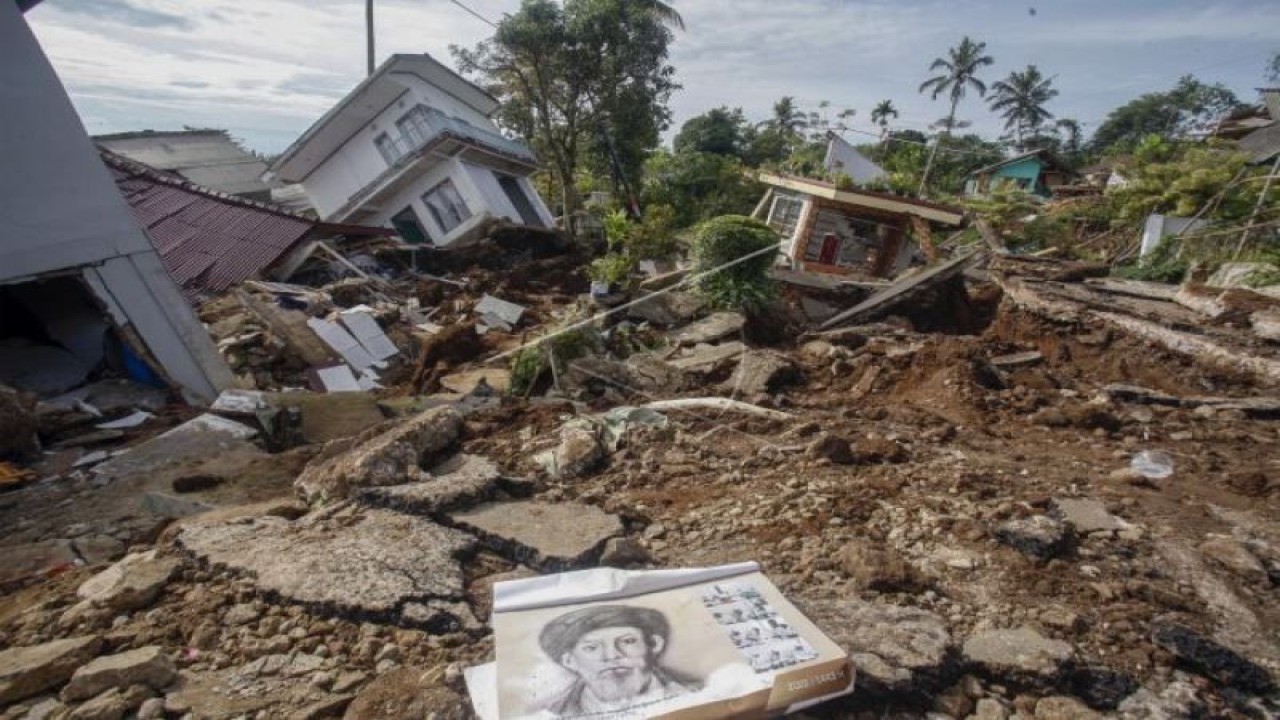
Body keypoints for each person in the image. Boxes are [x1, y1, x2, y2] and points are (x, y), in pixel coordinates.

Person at [537, 605, 701, 716]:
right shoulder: (551, 713)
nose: (611, 656)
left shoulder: (702, 690)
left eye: (627, 641)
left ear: (653, 644)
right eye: (591, 648)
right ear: (569, 661)